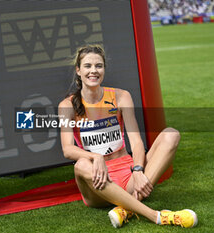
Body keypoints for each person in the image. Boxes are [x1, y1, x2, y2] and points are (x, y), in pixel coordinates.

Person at [58, 44, 198, 228]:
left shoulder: (122, 96)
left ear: (104, 69)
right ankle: (156, 216)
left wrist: (138, 170)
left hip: (128, 175)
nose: (94, 71)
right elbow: (68, 149)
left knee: (171, 134)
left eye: (99, 66)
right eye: (88, 66)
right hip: (98, 182)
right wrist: (95, 156)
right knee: (82, 164)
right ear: (78, 70)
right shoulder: (66, 106)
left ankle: (128, 208)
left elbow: (137, 142)